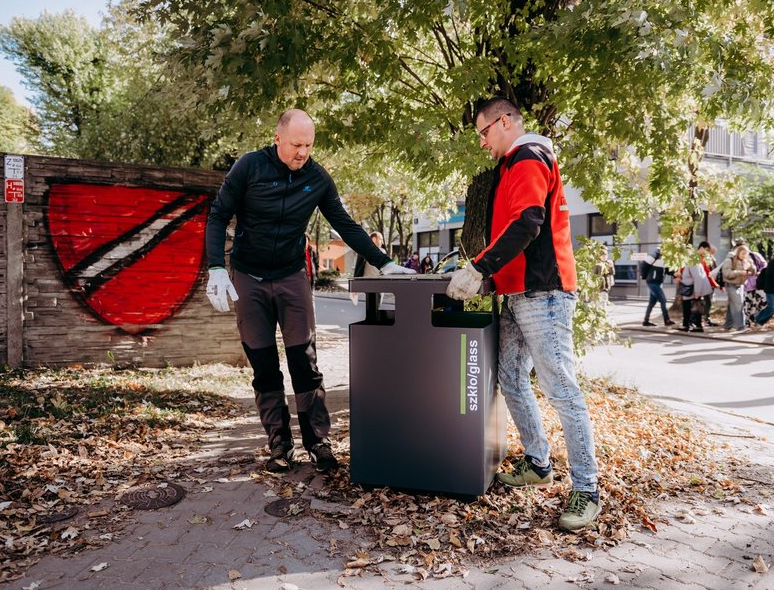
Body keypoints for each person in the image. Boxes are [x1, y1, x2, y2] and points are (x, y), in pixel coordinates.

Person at [205, 109, 416, 474]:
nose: (302, 152)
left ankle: (317, 441)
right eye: (296, 145)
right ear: (277, 139)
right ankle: (279, 443)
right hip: (249, 276)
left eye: (308, 145)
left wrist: (383, 262)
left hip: (291, 276)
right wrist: (216, 267)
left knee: (305, 360)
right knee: (263, 364)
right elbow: (218, 214)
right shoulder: (249, 167)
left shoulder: (317, 178)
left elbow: (345, 224)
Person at [446, 97, 601, 532]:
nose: (482, 142)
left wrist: (479, 268)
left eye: (483, 132)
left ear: (504, 122)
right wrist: (490, 275)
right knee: (511, 378)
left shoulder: (529, 156)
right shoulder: (510, 165)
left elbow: (529, 222)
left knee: (561, 389)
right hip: (517, 294)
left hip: (544, 293)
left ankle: (587, 489)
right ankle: (538, 462)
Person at [678, 243, 719, 332]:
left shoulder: (693, 261)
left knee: (691, 307)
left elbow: (698, 277)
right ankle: (689, 325)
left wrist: (697, 292)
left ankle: (693, 325)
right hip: (691, 288)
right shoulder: (695, 260)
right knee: (691, 307)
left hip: (691, 289)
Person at [721, 244, 756, 331]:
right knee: (739, 304)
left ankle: (728, 325)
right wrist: (740, 272)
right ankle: (740, 326)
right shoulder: (730, 260)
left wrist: (751, 265)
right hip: (730, 284)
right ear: (738, 252)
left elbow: (753, 272)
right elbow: (727, 273)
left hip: (740, 285)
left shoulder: (746, 261)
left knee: (732, 305)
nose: (744, 255)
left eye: (746, 254)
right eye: (742, 253)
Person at [641, 249, 675, 327]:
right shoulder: (655, 254)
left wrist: (674, 274)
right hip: (653, 282)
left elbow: (667, 270)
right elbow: (644, 264)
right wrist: (644, 276)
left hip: (656, 282)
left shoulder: (665, 257)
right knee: (663, 300)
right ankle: (667, 320)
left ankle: (646, 321)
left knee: (652, 302)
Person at [701, 243, 719, 326]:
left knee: (708, 301)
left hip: (711, 283)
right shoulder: (706, 259)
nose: (712, 254)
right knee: (707, 301)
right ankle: (705, 318)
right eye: (712, 252)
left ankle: (706, 318)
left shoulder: (711, 258)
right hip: (707, 283)